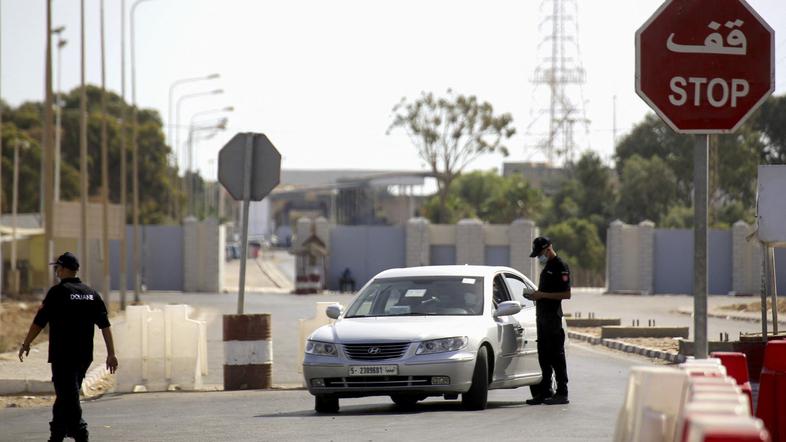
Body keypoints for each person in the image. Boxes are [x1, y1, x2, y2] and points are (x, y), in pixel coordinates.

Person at [18, 252, 118, 442]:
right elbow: (105, 325)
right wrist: (111, 354)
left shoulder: (57, 293)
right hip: (84, 356)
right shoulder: (91, 293)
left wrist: (27, 343)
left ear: (63, 269)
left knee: (68, 396)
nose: (56, 272)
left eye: (57, 268)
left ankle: (80, 432)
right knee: (66, 395)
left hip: (62, 356)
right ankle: (56, 434)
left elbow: (39, 321)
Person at [524, 236, 571, 405]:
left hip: (553, 320)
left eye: (540, 253)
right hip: (542, 320)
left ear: (548, 249)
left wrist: (542, 295)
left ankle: (562, 393)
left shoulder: (560, 266)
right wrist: (536, 295)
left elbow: (566, 294)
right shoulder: (547, 267)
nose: (539, 257)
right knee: (544, 357)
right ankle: (545, 392)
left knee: (556, 357)